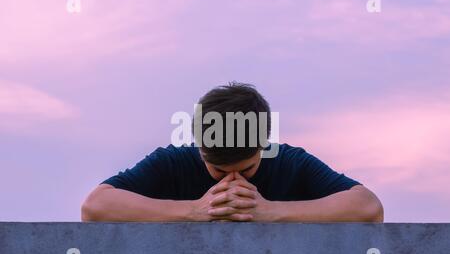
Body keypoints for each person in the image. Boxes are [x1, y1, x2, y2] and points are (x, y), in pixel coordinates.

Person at [82, 82, 383, 222]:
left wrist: (273, 212)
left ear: (264, 146)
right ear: (200, 150)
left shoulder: (289, 162)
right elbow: (95, 207)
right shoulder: (173, 161)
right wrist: (193, 211)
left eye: (248, 169)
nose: (234, 182)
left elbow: (368, 208)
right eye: (219, 172)